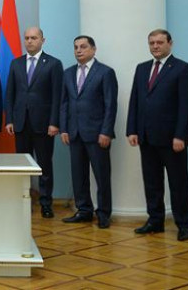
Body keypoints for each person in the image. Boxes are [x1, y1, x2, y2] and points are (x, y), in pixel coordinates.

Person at [126, 29, 188, 241]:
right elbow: (135, 100)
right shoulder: (142, 68)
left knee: (178, 183)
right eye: (152, 43)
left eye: (159, 42)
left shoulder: (183, 69)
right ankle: (155, 220)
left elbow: (187, 106)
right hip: (146, 137)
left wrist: (180, 135)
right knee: (152, 182)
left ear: (170, 43)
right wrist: (132, 129)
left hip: (172, 139)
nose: (155, 46)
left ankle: (184, 224)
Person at [59, 35, 118, 229]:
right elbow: (64, 103)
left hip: (97, 134)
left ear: (93, 49)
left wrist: (106, 131)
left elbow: (110, 105)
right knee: (79, 175)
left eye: (83, 47)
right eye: (76, 47)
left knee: (102, 176)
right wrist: (64, 128)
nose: (78, 50)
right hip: (74, 133)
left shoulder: (105, 72)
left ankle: (104, 213)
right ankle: (84, 210)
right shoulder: (68, 73)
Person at [5, 27, 63, 217]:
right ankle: (24, 201)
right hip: (21, 123)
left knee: (44, 165)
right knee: (23, 165)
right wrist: (10, 119)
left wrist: (54, 122)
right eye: (27, 38)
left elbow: (57, 96)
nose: (29, 41)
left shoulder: (53, 64)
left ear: (42, 40)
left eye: (34, 38)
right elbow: (10, 93)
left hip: (44, 125)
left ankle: (46, 204)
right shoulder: (16, 63)